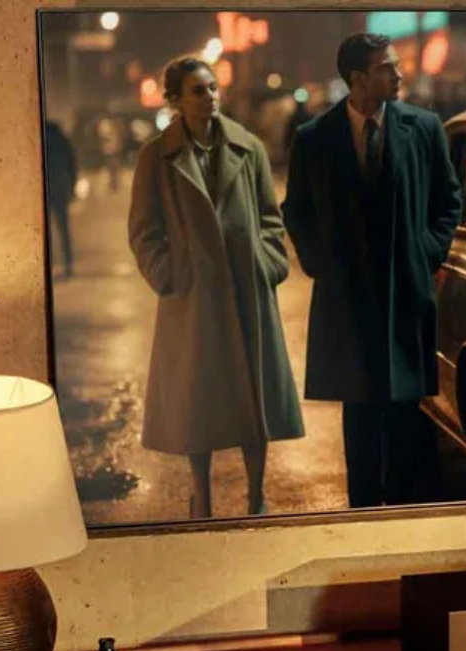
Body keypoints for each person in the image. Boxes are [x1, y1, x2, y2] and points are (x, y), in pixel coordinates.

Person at [282, 32, 460, 510]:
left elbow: (448, 199)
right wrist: (319, 262)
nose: (398, 74)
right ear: (357, 78)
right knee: (359, 414)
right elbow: (296, 209)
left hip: (406, 290)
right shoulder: (315, 138)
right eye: (386, 67)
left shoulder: (423, 128)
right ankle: (364, 513)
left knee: (407, 413)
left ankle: (405, 512)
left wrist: (427, 252)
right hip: (348, 297)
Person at [127, 57, 303, 519]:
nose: (209, 97)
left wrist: (269, 262)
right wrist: (168, 274)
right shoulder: (157, 158)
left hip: (248, 288)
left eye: (211, 88)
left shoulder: (249, 149)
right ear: (176, 101)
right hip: (193, 296)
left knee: (254, 394)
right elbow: (145, 230)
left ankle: (256, 493)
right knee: (198, 398)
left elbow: (270, 215)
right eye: (197, 90)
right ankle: (201, 494)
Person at [42, 119, 78, 279]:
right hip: (60, 188)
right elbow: (71, 162)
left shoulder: (37, 136)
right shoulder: (60, 137)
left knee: (45, 231)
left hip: (45, 189)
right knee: (63, 227)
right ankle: (68, 264)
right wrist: (72, 185)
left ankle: (46, 266)